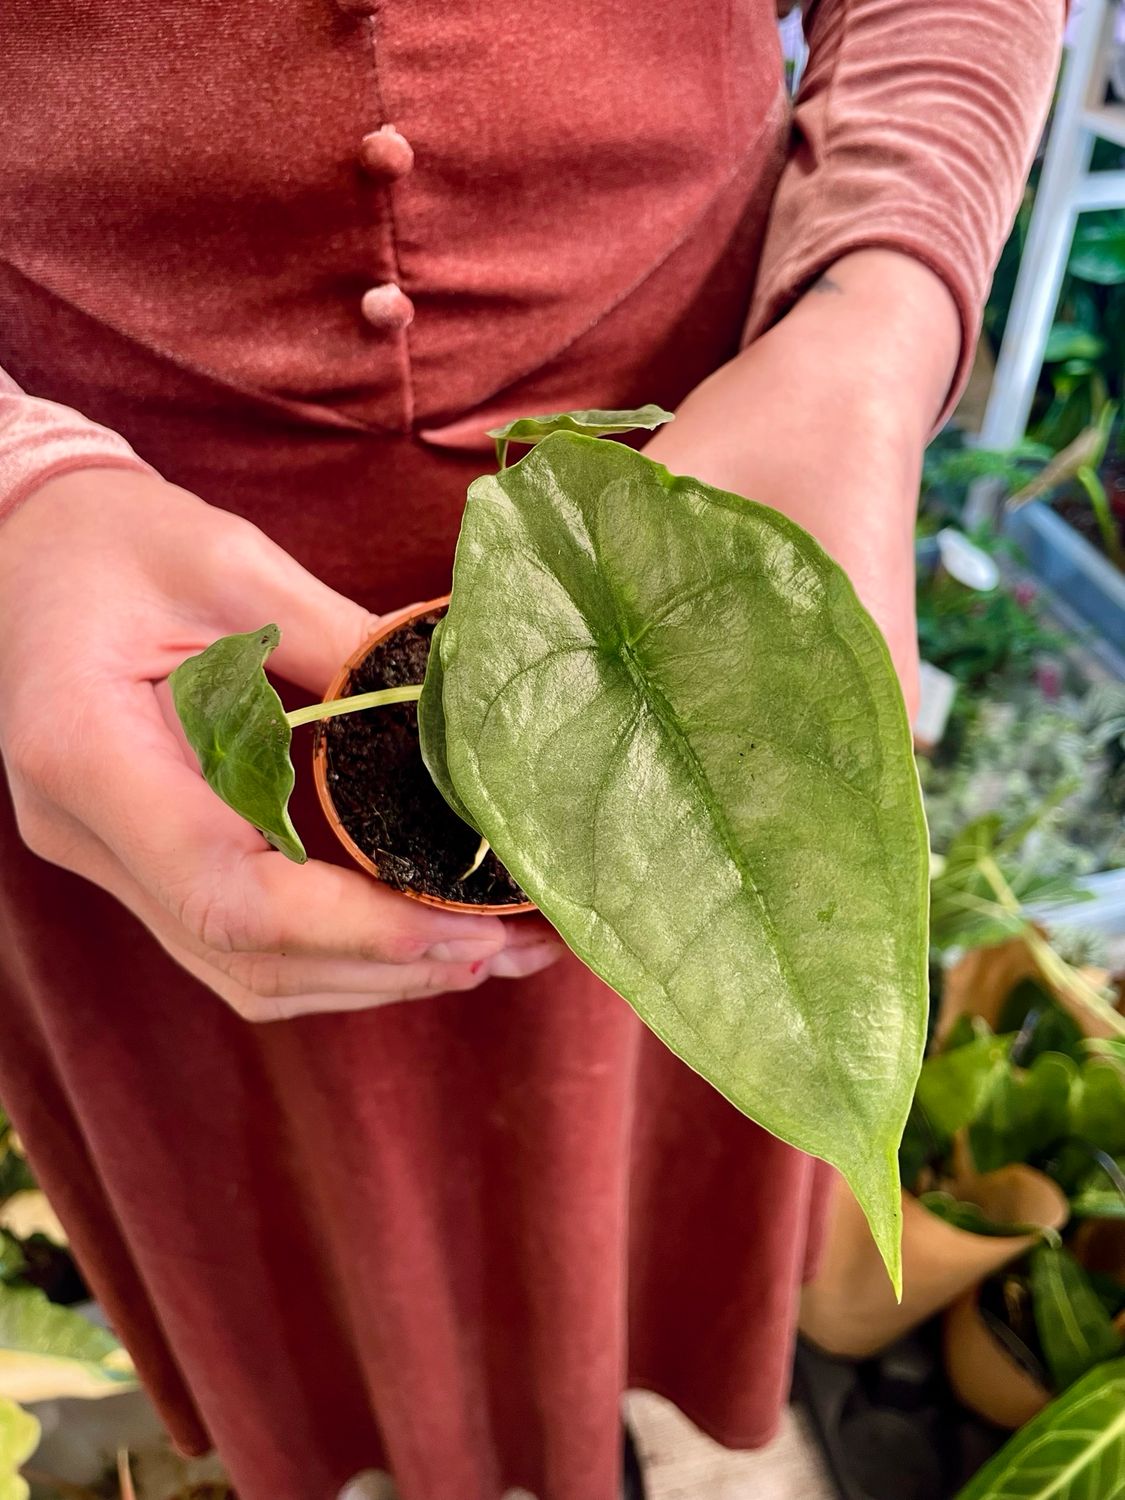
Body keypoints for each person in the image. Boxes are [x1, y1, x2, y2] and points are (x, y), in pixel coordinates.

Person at [0, 3, 1061, 1498]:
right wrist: (16, 489)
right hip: (109, 582)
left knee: (673, 1036)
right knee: (289, 1149)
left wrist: (876, 326)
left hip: (706, 440)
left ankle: (581, 1437)